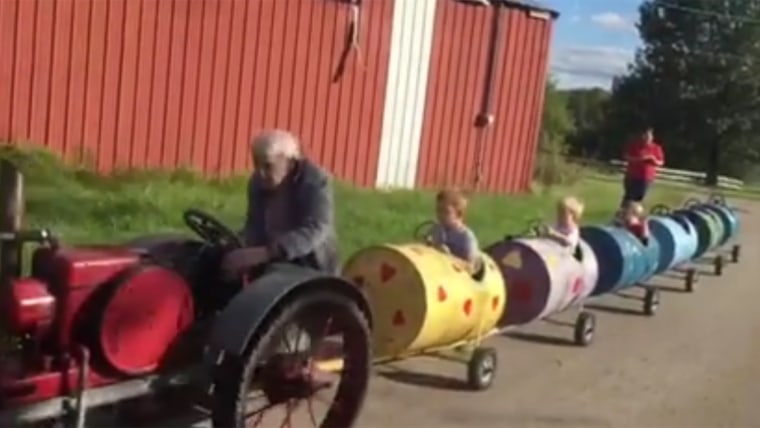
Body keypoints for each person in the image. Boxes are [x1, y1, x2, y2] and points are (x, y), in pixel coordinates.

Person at [221, 129, 339, 278]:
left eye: (268, 166)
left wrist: (267, 253)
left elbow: (316, 228)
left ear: (290, 163)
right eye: (256, 165)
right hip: (272, 263)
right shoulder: (257, 183)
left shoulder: (315, 181)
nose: (260, 173)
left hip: (311, 268)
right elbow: (254, 225)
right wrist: (238, 248)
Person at [427, 188, 481, 273]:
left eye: (445, 212)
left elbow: (471, 268)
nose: (440, 215)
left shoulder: (466, 237)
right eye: (438, 210)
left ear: (459, 214)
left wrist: (449, 257)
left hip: (459, 280)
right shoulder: (437, 229)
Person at [622, 127, 665, 204]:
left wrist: (653, 160)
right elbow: (627, 156)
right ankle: (624, 212)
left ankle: (634, 212)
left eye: (649, 136)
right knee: (628, 197)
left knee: (638, 198)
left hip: (646, 177)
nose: (647, 138)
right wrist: (640, 159)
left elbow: (661, 162)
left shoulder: (656, 148)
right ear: (642, 136)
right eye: (645, 135)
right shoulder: (634, 145)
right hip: (632, 175)